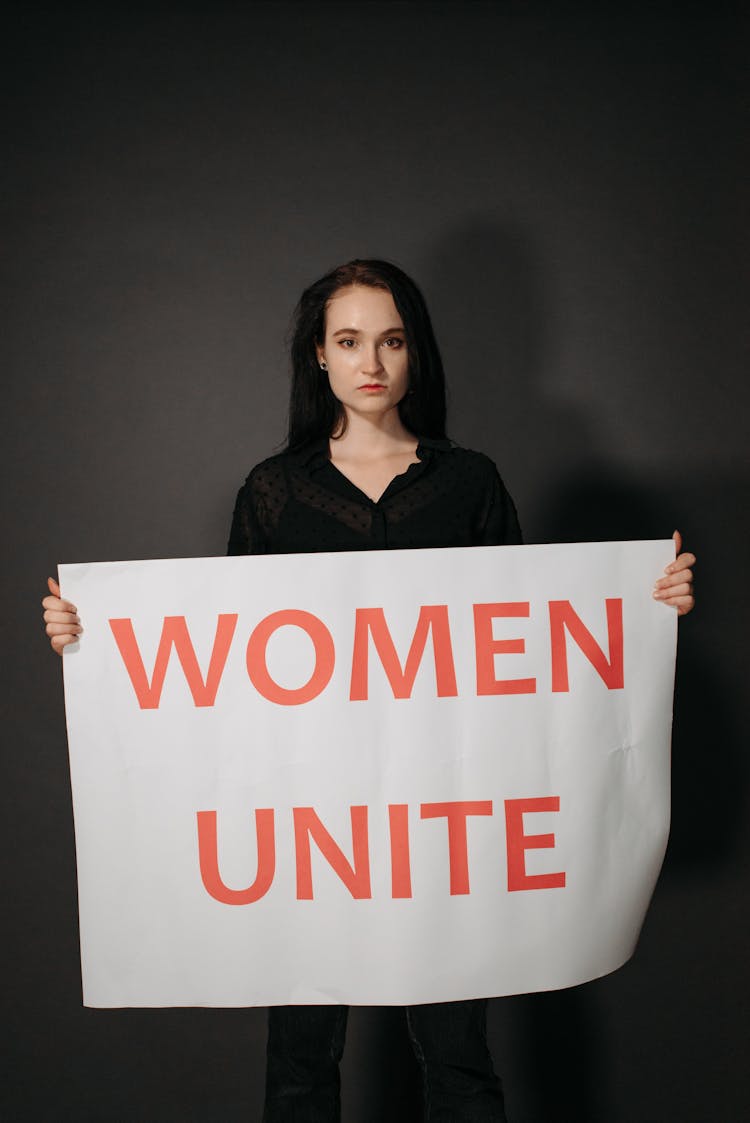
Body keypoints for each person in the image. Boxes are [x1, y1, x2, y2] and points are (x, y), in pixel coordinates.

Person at [42, 259, 696, 1121]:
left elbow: (537, 643)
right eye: (348, 341)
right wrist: (92, 639)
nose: (371, 362)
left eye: (389, 339)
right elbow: (223, 662)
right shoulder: (275, 493)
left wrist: (647, 604)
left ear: (413, 351)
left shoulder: (469, 484)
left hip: (443, 821)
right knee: (301, 1061)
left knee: (461, 1056)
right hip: (312, 831)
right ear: (319, 356)